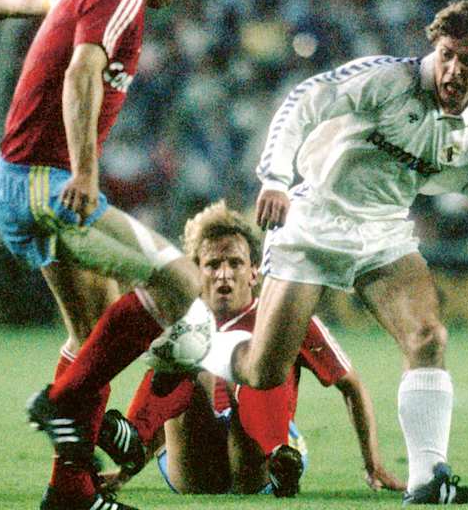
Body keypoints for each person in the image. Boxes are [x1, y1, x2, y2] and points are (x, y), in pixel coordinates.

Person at [194, 0, 468, 505]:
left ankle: (427, 479)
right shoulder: (389, 80)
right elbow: (306, 100)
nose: (453, 70)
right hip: (313, 219)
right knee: (264, 372)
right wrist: (276, 179)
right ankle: (193, 345)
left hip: (384, 233)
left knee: (428, 336)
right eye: (446, 55)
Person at [0, 0, 221, 509]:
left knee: (89, 334)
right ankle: (60, 402)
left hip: (16, 181)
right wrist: (87, 173)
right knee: (178, 281)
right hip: (45, 183)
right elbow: (80, 75)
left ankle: (70, 493)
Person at [95, 201, 404, 496]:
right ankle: (131, 440)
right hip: (196, 465)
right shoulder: (182, 321)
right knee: (178, 363)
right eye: (213, 264)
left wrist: (373, 464)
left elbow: (350, 385)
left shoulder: (284, 317)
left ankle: (280, 460)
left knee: (258, 365)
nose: (224, 273)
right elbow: (171, 407)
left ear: (254, 272)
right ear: (195, 271)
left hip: (256, 456)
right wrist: (124, 476)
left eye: (235, 263)